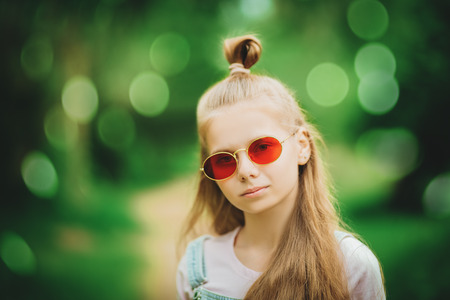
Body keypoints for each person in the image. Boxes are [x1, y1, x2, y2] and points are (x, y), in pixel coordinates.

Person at [176, 35, 385, 300]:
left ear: (301, 147)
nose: (245, 171)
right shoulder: (198, 269)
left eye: (262, 148)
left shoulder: (351, 265)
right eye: (224, 160)